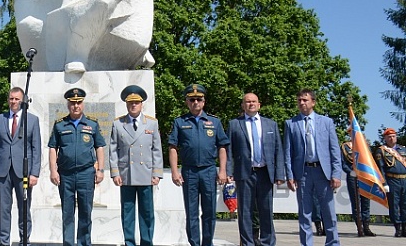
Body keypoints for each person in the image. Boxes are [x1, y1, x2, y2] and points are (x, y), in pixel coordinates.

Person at [168, 84, 229, 246]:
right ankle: (194, 243)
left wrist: (222, 170)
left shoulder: (214, 122)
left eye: (199, 99)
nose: (195, 102)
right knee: (192, 212)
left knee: (209, 212)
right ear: (187, 102)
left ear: (204, 102)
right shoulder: (180, 122)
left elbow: (222, 146)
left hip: (209, 171)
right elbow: (173, 147)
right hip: (189, 172)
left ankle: (207, 243)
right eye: (192, 99)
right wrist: (175, 171)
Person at [283, 88, 342, 246]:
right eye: (299, 100)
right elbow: (288, 152)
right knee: (304, 213)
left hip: (323, 172)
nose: (302, 103)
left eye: (305, 100)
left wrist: (336, 174)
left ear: (313, 102)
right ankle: (306, 244)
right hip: (303, 173)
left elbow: (334, 149)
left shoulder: (326, 122)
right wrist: (289, 175)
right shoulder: (291, 124)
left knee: (328, 211)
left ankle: (333, 243)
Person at [48, 88, 106, 246]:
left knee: (85, 213)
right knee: (67, 213)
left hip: (86, 174)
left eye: (79, 102)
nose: (76, 106)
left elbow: (99, 147)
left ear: (83, 104)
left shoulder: (92, 123)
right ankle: (68, 243)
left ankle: (84, 243)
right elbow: (53, 148)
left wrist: (100, 170)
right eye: (73, 103)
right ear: (68, 104)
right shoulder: (60, 125)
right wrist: (53, 170)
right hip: (65, 175)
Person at [226, 93, 285, 246]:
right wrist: (228, 172)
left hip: (265, 173)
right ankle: (247, 242)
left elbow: (278, 149)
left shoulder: (270, 124)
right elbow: (229, 150)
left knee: (266, 210)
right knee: (245, 212)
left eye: (253, 101)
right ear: (243, 105)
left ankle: (267, 242)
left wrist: (279, 174)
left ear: (259, 105)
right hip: (244, 173)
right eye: (247, 102)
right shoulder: (234, 124)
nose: (251, 104)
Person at [0, 87, 42, 246]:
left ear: (22, 100)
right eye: (11, 98)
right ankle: (3, 241)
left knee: (24, 208)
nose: (13, 102)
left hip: (24, 171)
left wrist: (34, 173)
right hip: (2, 171)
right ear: (8, 100)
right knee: (4, 208)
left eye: (17, 99)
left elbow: (35, 148)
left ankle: (24, 240)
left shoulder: (31, 120)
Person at [109, 85, 162, 246]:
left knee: (147, 213)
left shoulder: (152, 124)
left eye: (137, 103)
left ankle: (147, 242)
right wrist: (115, 173)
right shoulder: (118, 124)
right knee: (128, 212)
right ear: (126, 104)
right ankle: (129, 242)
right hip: (127, 174)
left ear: (141, 104)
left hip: (146, 174)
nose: (133, 105)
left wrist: (157, 173)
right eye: (131, 103)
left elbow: (157, 149)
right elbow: (113, 150)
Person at [375, 127, 406, 237]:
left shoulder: (403, 149)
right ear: (385, 138)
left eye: (393, 136)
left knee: (404, 205)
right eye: (389, 137)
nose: (392, 138)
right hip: (392, 180)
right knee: (394, 205)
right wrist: (384, 183)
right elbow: (381, 168)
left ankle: (405, 228)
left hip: (404, 179)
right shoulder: (382, 150)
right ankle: (397, 228)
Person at [342, 135, 375, 236]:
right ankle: (359, 227)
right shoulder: (345, 147)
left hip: (364, 176)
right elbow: (343, 163)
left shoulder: (366, 146)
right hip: (353, 176)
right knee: (356, 202)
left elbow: (371, 162)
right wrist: (350, 172)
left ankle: (367, 227)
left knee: (366, 202)